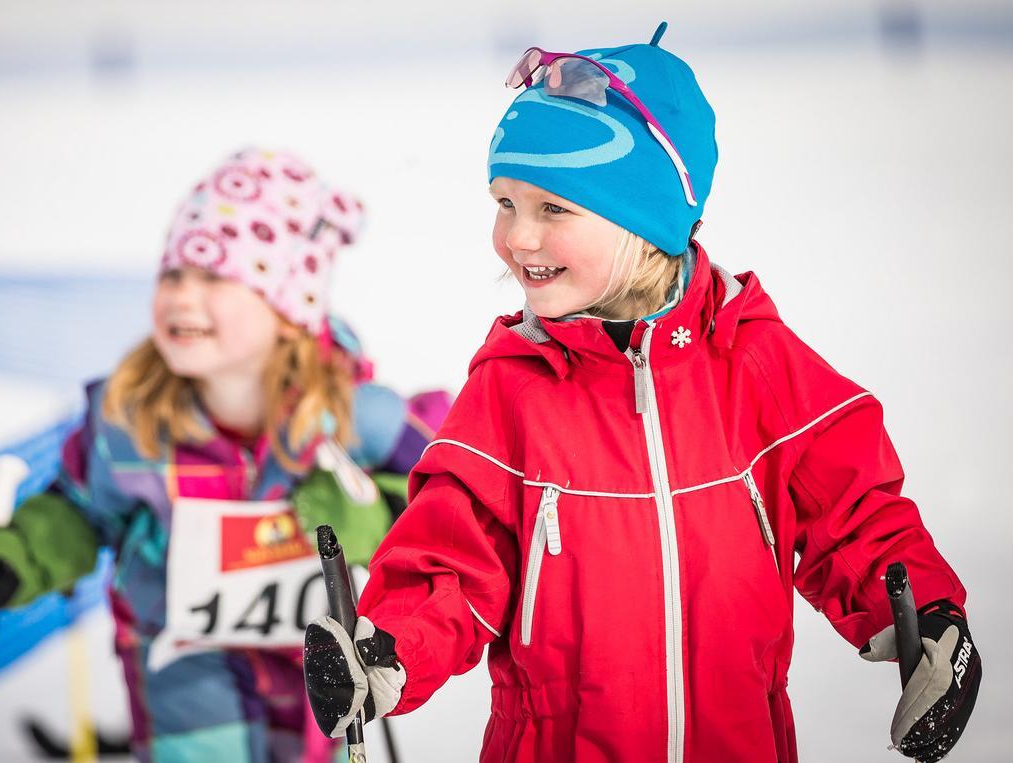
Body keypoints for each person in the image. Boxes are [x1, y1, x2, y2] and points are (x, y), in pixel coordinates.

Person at [302, 23, 981, 763]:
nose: (516, 237)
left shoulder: (751, 361)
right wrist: (387, 650)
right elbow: (452, 559)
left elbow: (853, 515)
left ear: (647, 221)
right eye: (505, 202)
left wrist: (928, 621)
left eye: (553, 209)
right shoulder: (514, 386)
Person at [0, 147, 449, 762]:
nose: (183, 296)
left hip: (321, 668)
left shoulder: (353, 415)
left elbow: (441, 501)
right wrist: (20, 555)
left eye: (216, 278)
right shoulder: (129, 420)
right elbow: (80, 510)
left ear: (289, 309)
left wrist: (374, 521)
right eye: (174, 275)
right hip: (181, 666)